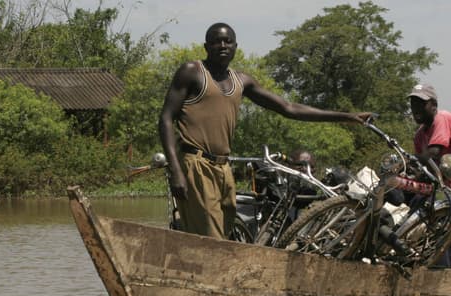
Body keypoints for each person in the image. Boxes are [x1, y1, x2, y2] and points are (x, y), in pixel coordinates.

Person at [158, 23, 372, 239]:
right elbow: (166, 118)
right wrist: (176, 170)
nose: (222, 45)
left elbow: (289, 108)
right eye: (216, 41)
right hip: (195, 164)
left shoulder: (241, 81)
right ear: (206, 46)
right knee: (212, 239)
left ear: (235, 47)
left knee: (227, 233)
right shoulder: (192, 72)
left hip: (223, 167)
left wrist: (347, 117)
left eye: (227, 41)